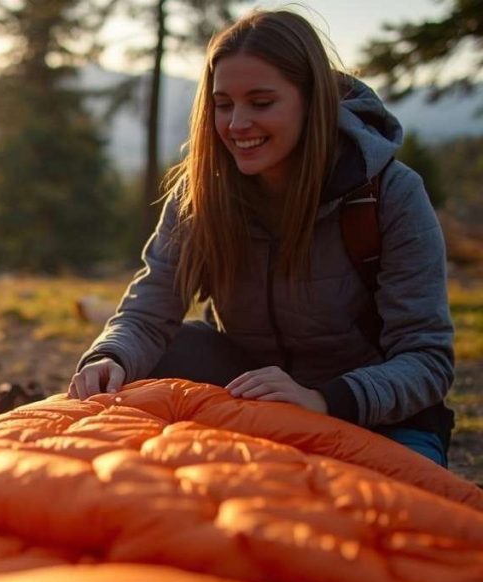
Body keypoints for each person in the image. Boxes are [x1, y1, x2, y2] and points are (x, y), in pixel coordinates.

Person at [67, 10, 454, 466]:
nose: (236, 124)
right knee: (150, 370)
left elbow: (428, 359)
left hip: (370, 413)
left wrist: (323, 400)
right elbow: (150, 312)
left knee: (388, 520)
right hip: (247, 395)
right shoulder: (201, 192)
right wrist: (109, 358)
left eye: (262, 102)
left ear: (312, 101)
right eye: (224, 104)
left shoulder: (388, 194)